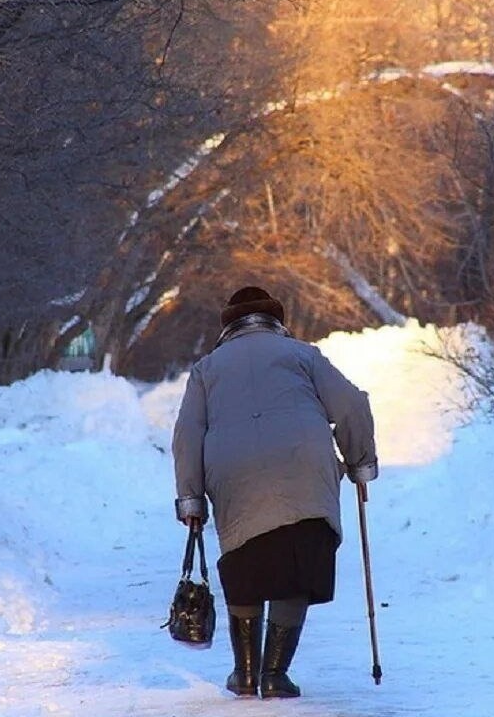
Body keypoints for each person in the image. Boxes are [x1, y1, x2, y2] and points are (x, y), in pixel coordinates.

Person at [172, 286, 378, 699]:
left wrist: (191, 497)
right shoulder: (303, 355)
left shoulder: (207, 369)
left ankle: (245, 674)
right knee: (298, 562)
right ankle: (275, 674)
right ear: (276, 320)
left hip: (234, 472)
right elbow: (352, 405)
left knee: (244, 560)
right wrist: (359, 463)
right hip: (304, 468)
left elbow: (187, 436)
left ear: (228, 326)